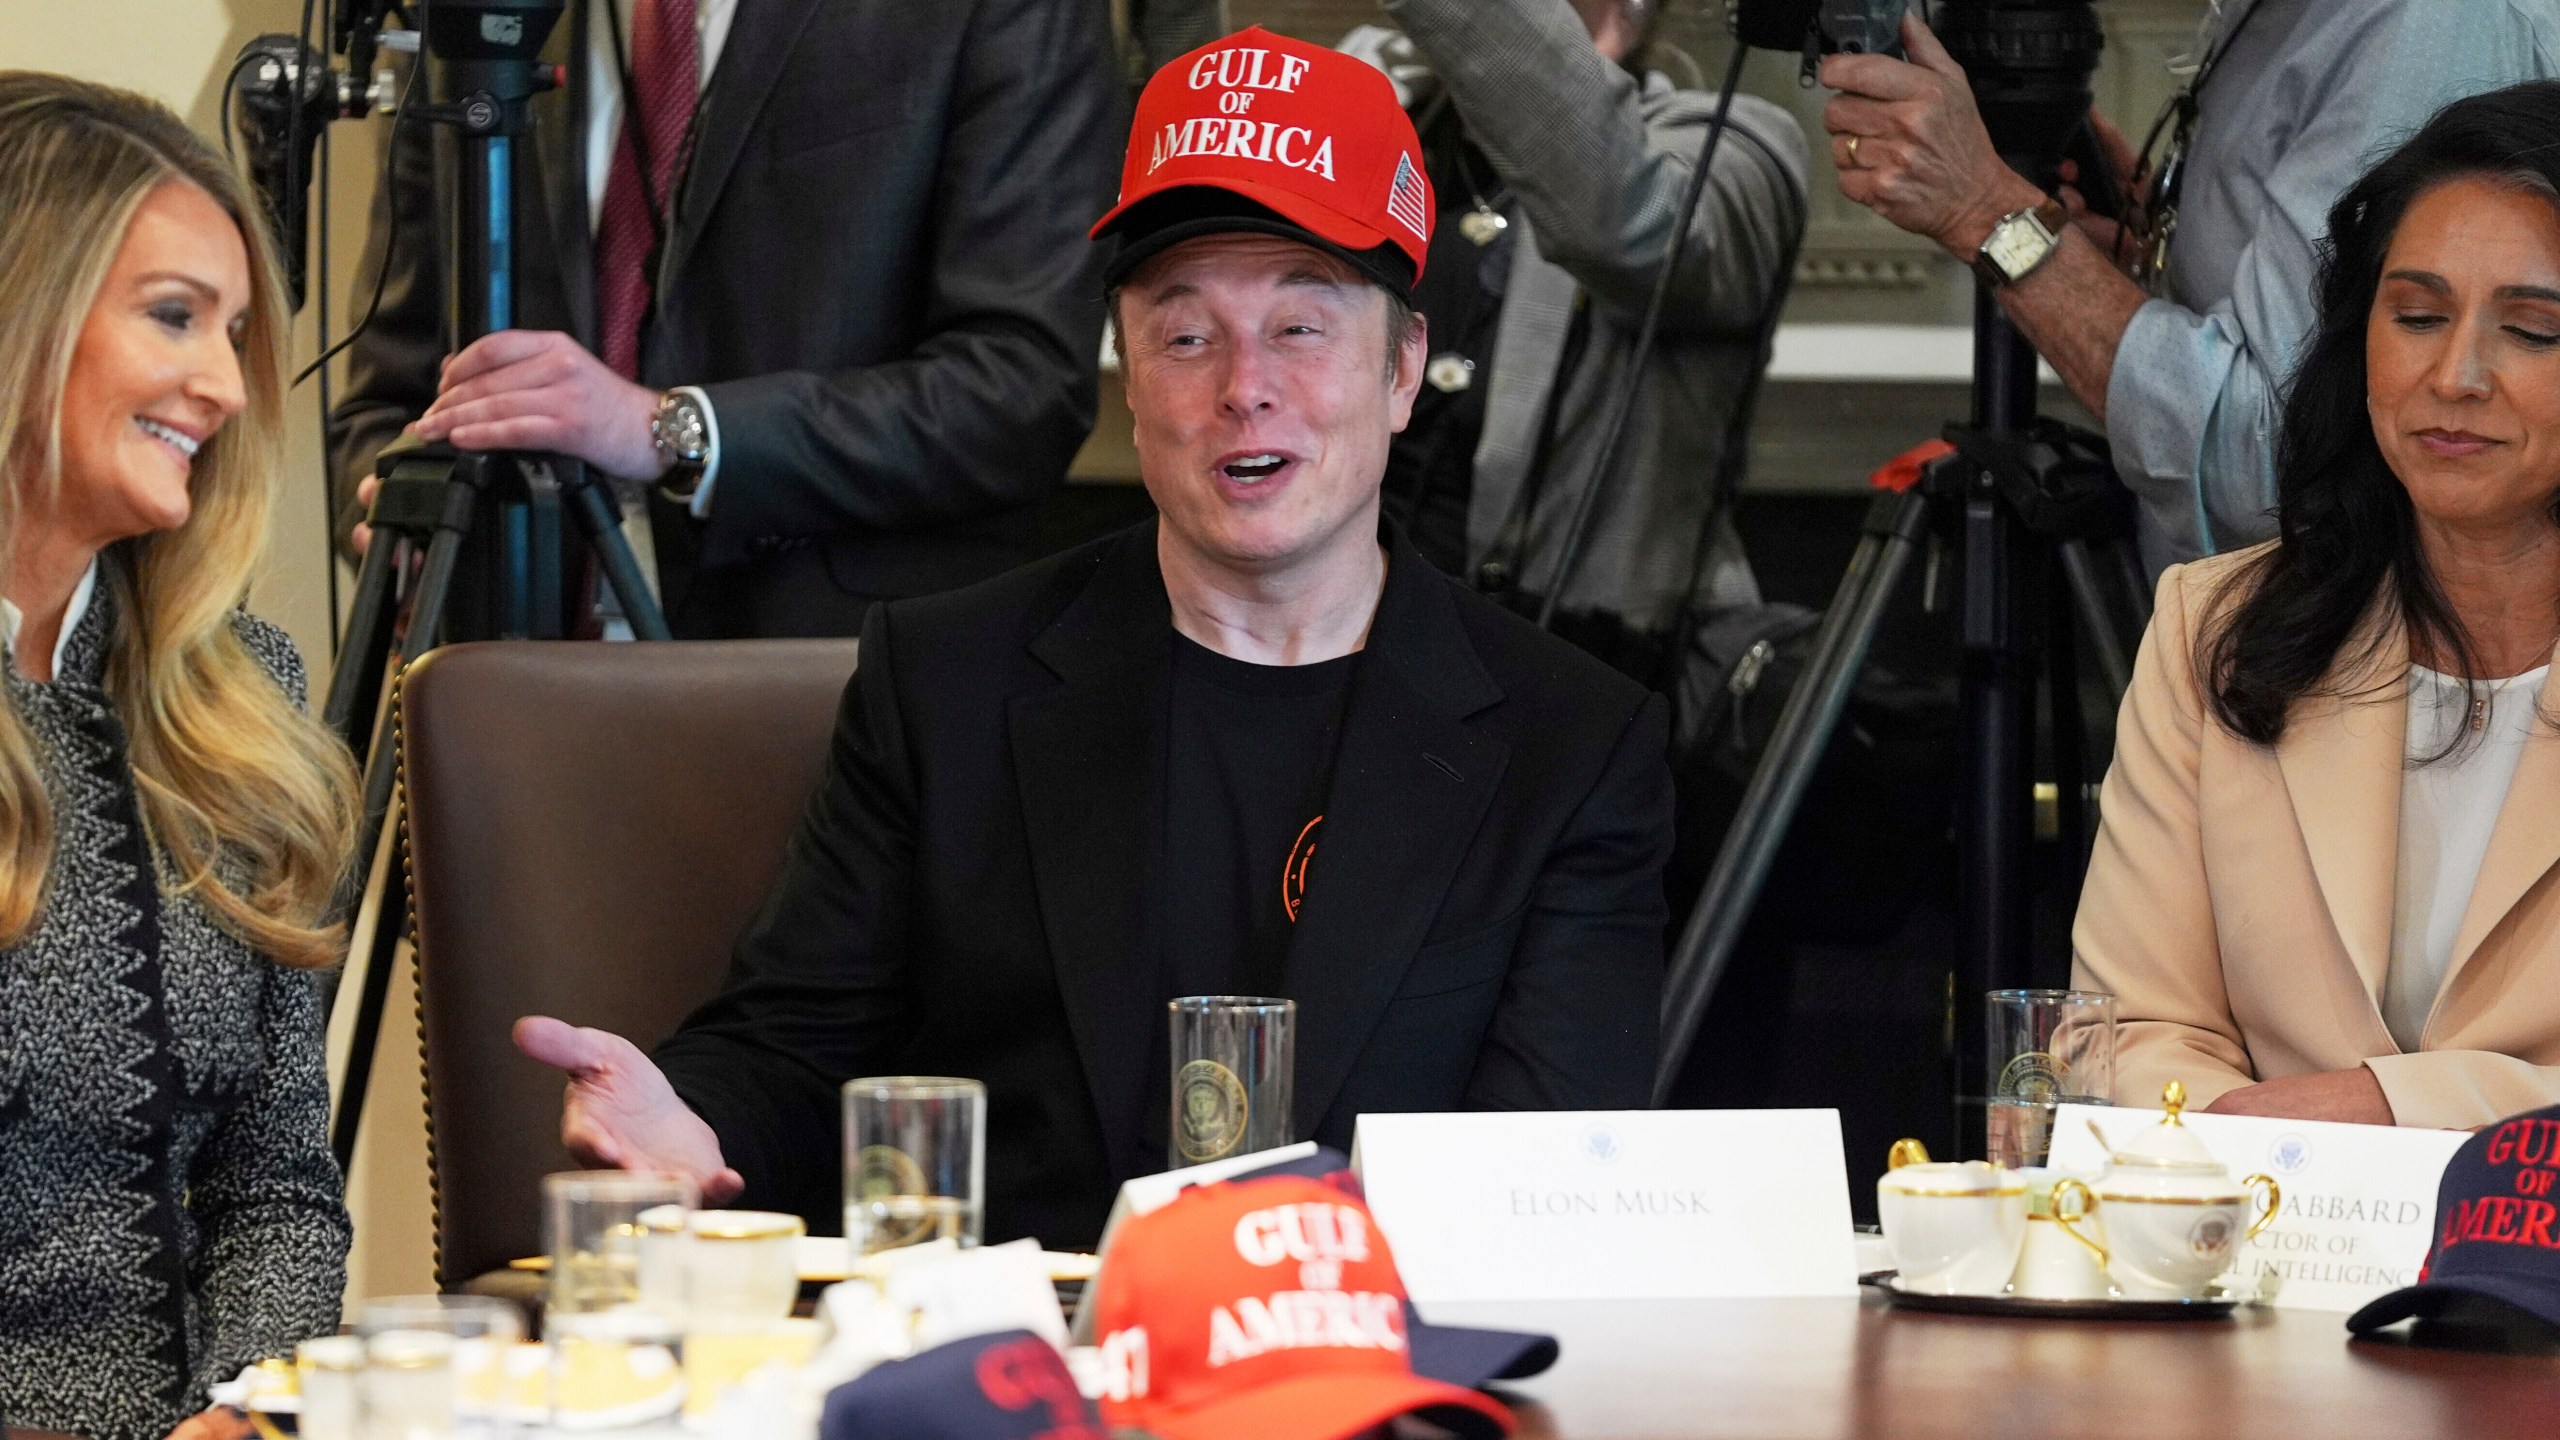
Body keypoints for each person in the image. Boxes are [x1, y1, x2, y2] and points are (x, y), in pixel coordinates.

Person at [513, 29, 1673, 1249]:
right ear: (1129, 372)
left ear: (1401, 371)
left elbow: (1550, 1187)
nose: (1243, 385)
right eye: (1186, 335)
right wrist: (690, 1120)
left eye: (1301, 326)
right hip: (1024, 1381)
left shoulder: (1573, 744)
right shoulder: (944, 680)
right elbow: (795, 1052)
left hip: (1382, 1381)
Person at [2073, 83, 2560, 1129]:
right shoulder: (2216, 628)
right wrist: (2281, 1172)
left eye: (2530, 331)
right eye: (2417, 316)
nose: (2454, 374)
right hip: (2260, 1259)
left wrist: (2391, 1113)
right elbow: (2127, 1029)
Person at [329, 0, 1123, 637]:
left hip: (827, 706)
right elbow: (384, 402)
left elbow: (1023, 386)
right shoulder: (476, 19)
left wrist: (669, 432)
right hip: (508, 709)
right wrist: (395, 525)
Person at [0, 74, 360, 1440]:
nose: (222, 384)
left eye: (235, 331)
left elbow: (277, 1188)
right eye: (173, 317)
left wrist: (255, 1415)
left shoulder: (242, 703)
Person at [1820, 1, 2560, 572]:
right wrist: (2126, 265)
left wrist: (1987, 214)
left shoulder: (2428, 26)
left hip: (2344, 688)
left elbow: (2267, 458)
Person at [1339, 0, 1804, 676]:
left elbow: (1632, 226)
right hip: (1347, 654)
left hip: (1583, 673)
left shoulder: (1738, 149)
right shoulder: (1380, 108)